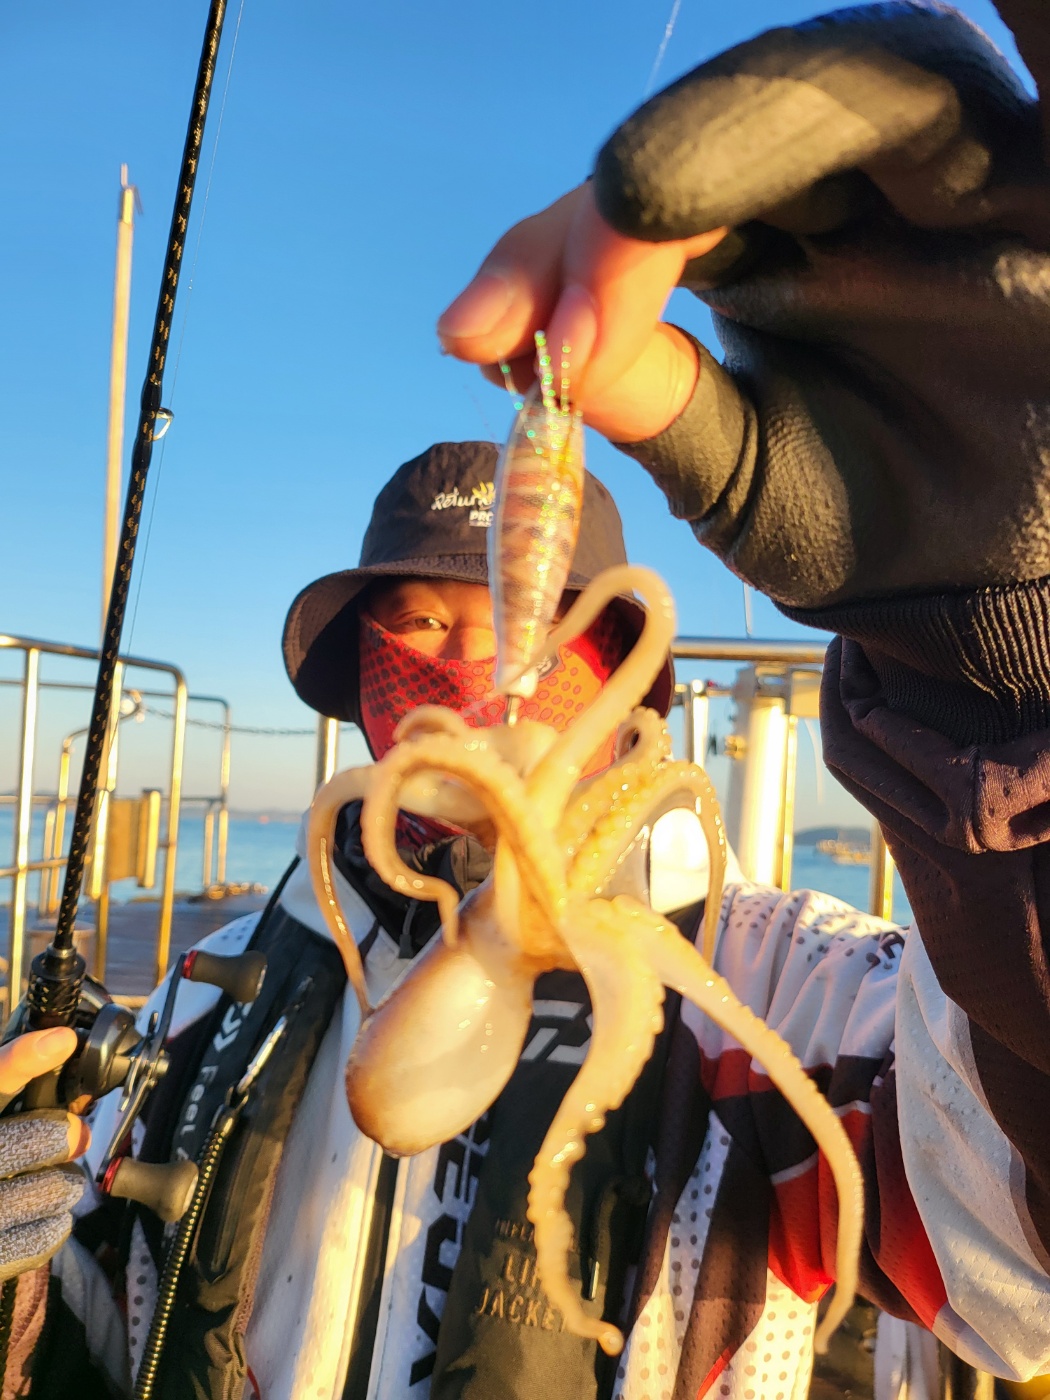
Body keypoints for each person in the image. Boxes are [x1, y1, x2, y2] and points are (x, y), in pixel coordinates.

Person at [8, 2, 1050, 1397]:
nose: (459, 674)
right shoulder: (213, 995)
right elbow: (99, 1320)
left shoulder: (793, 993)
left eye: (515, 630)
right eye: (412, 627)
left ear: (620, 672)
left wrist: (994, 681)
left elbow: (1012, 1267)